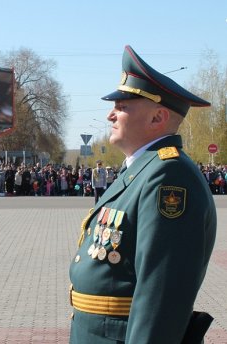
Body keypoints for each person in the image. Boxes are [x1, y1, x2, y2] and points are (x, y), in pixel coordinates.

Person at [68, 45, 217, 344]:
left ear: (157, 118)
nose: (111, 114)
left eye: (122, 106)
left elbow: (160, 297)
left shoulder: (168, 175)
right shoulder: (140, 170)